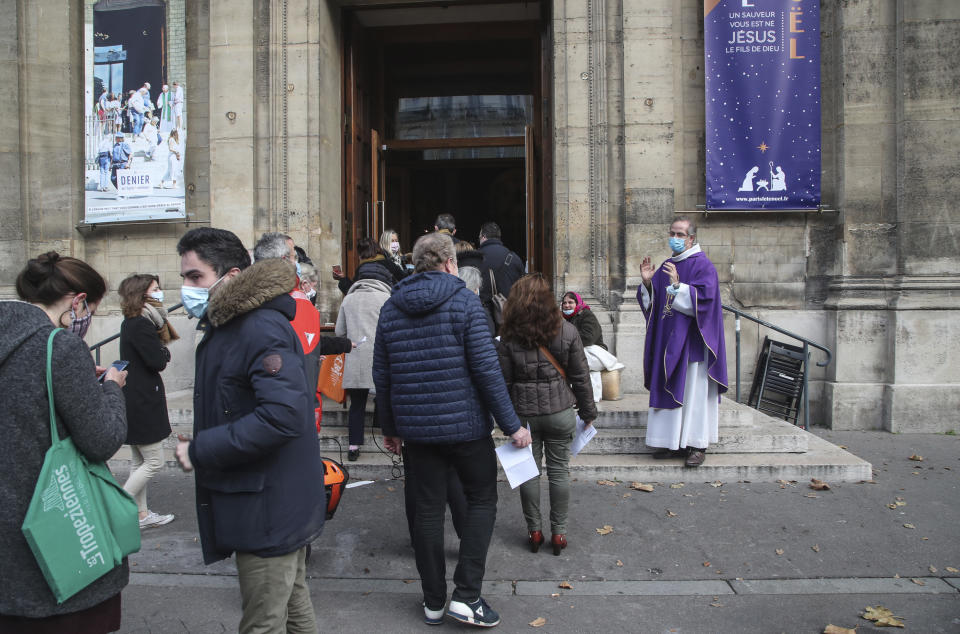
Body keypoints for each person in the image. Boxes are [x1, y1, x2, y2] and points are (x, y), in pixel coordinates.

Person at [373, 231, 531, 628]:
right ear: (449, 263)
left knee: (426, 511)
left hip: (418, 432)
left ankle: (433, 601)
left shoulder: (392, 307)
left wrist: (390, 426)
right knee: (481, 501)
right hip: (465, 429)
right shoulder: (465, 302)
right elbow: (487, 372)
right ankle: (467, 594)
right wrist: (513, 426)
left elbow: (383, 374)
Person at [174, 227, 323, 633]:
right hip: (269, 499)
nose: (187, 287)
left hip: (269, 505)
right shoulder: (229, 326)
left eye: (195, 277)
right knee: (293, 608)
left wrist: (202, 448)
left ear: (233, 277)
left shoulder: (256, 327)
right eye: (185, 277)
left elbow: (282, 416)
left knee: (263, 623)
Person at [0, 252, 128, 632]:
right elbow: (103, 440)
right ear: (78, 302)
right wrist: (110, 390)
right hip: (59, 531)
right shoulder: (59, 347)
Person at [498, 274, 597, 556]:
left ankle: (535, 531)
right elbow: (580, 376)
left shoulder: (508, 335)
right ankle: (560, 533)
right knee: (559, 472)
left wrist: (506, 421)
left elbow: (502, 382)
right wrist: (589, 412)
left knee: (528, 474)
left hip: (524, 416)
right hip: (560, 411)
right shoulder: (567, 331)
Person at [637, 216, 727, 468]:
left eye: (680, 235)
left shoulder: (703, 266)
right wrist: (647, 283)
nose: (674, 239)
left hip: (692, 345)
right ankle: (670, 442)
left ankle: (696, 444)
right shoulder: (667, 264)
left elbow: (706, 302)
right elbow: (654, 305)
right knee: (669, 387)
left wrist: (679, 286)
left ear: (691, 238)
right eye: (672, 233)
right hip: (668, 341)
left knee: (693, 394)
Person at [118, 274, 178, 530]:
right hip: (142, 398)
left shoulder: (133, 321)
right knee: (154, 461)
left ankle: (141, 515)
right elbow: (156, 360)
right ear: (142, 294)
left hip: (137, 396)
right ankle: (115, 506)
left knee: (139, 461)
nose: (160, 292)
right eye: (155, 289)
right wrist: (164, 351)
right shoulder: (141, 324)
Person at [335, 275, 391, 461]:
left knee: (357, 405)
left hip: (356, 355)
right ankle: (388, 439)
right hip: (380, 356)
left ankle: (353, 446)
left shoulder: (349, 299)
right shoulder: (386, 298)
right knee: (385, 399)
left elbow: (339, 331)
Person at [560, 291, 623, 402]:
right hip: (580, 352)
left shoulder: (586, 315)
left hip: (595, 353)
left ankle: (585, 398)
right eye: (564, 303)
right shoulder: (566, 319)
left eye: (570, 302)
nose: (567, 305)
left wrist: (567, 340)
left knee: (573, 361)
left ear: (577, 303)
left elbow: (588, 338)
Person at [477, 221, 525, 328]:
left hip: (483, 318)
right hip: (509, 317)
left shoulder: (475, 259)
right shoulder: (514, 258)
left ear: (483, 237)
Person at [334, 236, 405, 294]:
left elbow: (351, 291)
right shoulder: (389, 264)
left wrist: (342, 279)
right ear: (377, 249)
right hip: (387, 304)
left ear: (360, 254)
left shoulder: (361, 269)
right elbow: (404, 280)